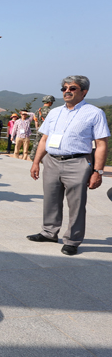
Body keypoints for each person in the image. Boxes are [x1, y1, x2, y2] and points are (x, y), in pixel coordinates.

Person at [28, 75, 109, 256]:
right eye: (64, 88)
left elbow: (102, 144)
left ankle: (73, 240)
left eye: (72, 88)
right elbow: (44, 139)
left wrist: (98, 171)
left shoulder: (94, 113)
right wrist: (35, 162)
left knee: (76, 204)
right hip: (52, 161)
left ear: (84, 91)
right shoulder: (55, 112)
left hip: (78, 161)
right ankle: (49, 232)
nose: (67, 91)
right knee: (50, 199)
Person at [29, 95, 56, 160]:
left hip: (39, 129)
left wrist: (37, 129)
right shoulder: (51, 111)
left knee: (37, 143)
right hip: (48, 131)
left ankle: (33, 156)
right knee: (46, 144)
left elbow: (36, 121)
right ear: (50, 102)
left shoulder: (38, 110)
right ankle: (44, 158)